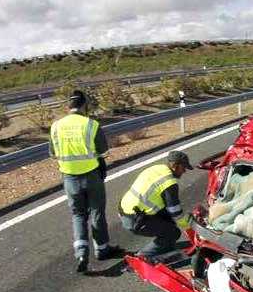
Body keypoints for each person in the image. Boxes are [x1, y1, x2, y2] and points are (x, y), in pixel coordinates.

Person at [49, 90, 121, 273]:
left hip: (69, 177)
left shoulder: (56, 126)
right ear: (84, 105)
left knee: (78, 215)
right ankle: (102, 249)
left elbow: (53, 153)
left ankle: (81, 253)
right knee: (97, 211)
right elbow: (103, 151)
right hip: (91, 175)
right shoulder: (91, 124)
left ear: (68, 106)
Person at [119, 151, 194, 257]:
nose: (184, 171)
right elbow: (176, 212)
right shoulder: (169, 182)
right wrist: (189, 227)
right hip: (134, 219)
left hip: (125, 209)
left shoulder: (156, 168)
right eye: (183, 167)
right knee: (173, 232)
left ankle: (165, 247)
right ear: (175, 166)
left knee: (169, 221)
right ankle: (142, 257)